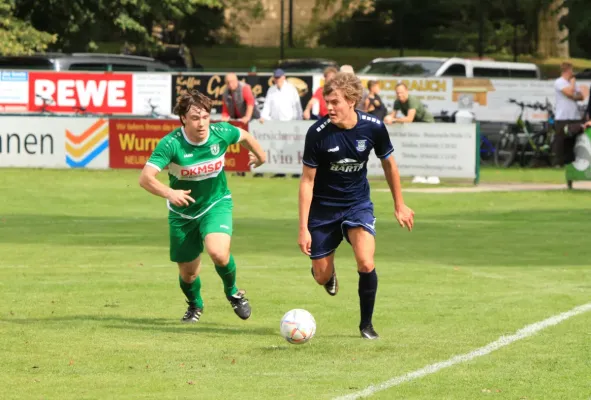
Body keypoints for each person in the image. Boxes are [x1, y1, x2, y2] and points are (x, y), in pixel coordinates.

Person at [298, 72, 415, 340]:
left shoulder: (373, 127)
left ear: (351, 101)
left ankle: (366, 325)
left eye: (335, 102)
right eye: (328, 101)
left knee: (365, 261)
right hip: (324, 209)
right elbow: (307, 181)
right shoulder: (317, 133)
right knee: (320, 276)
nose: (329, 108)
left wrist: (400, 204)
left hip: (357, 205)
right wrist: (303, 228)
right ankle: (328, 275)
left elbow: (389, 164)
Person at [139, 90, 266, 323]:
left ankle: (233, 292)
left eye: (205, 117)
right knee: (189, 274)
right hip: (182, 214)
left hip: (216, 203)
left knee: (218, 252)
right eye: (195, 118)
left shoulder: (221, 133)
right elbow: (145, 178)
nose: (202, 123)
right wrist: (170, 192)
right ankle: (195, 305)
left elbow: (245, 136)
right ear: (183, 119)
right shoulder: (171, 144)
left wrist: (261, 157)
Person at [554, 62, 585, 166]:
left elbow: (581, 96)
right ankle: (560, 163)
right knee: (562, 140)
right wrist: (572, 86)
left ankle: (572, 162)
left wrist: (573, 95)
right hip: (562, 116)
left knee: (574, 140)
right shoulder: (559, 82)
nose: (573, 73)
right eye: (571, 70)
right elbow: (569, 93)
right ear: (567, 71)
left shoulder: (573, 83)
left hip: (574, 116)